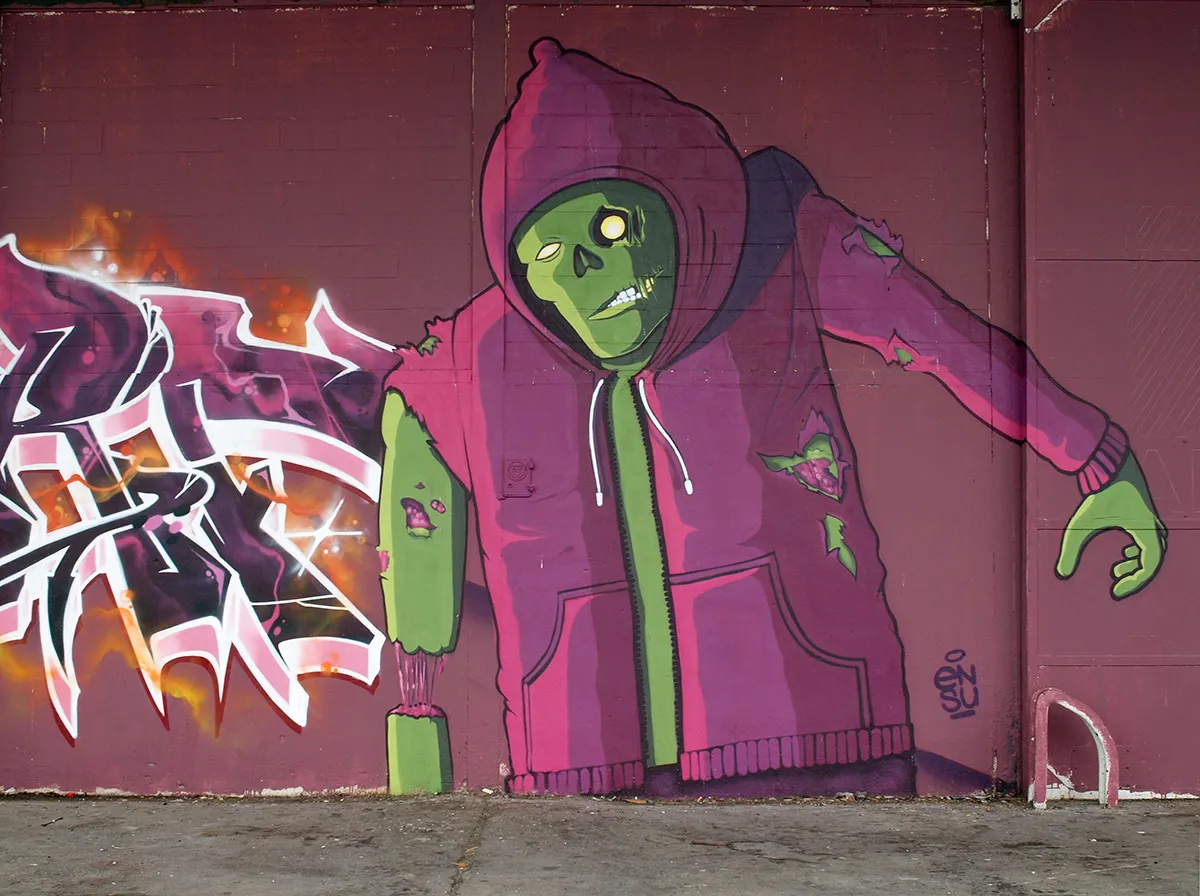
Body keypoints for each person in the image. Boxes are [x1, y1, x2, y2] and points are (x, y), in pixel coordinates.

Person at [378, 39, 1165, 797]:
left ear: (673, 203)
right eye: (547, 256)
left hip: (818, 737)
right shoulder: (477, 355)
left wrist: (1095, 456)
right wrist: (416, 726)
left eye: (611, 226)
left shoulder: (775, 250)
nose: (587, 266)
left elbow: (941, 335)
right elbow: (416, 467)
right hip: (584, 767)